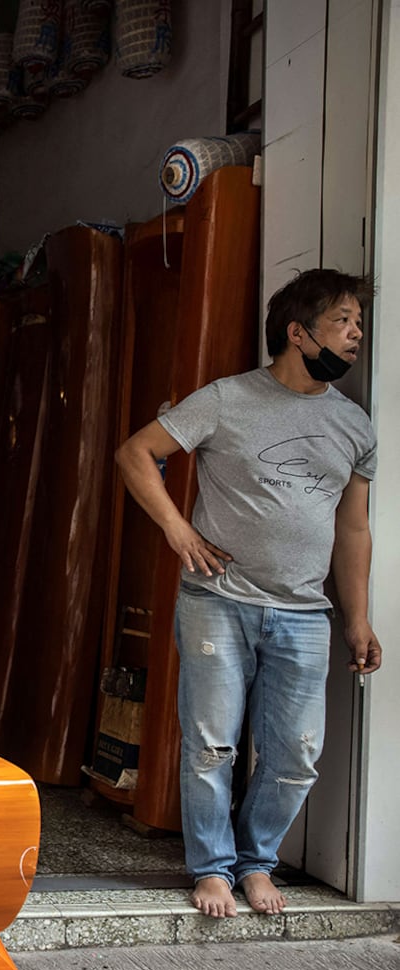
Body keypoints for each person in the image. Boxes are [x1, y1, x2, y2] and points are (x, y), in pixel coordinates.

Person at [115, 268, 382, 919]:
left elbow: (353, 527)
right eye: (344, 320)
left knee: (295, 753)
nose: (357, 335)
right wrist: (179, 528)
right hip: (218, 599)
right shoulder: (226, 399)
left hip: (304, 614)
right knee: (212, 742)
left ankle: (257, 861)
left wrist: (359, 619)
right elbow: (135, 453)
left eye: (359, 323)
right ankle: (212, 867)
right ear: (297, 331)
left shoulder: (354, 425)